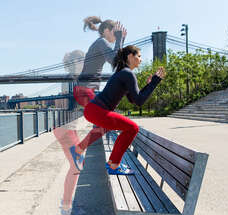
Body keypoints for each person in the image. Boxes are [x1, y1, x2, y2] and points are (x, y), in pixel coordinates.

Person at [82, 45, 165, 174]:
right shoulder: (128, 74)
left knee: (130, 128)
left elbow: (134, 100)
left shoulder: (124, 73)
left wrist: (149, 85)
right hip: (97, 110)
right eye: (139, 56)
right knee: (132, 128)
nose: (141, 60)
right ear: (130, 56)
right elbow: (139, 100)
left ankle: (112, 163)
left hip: (94, 110)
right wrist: (154, 82)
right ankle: (114, 165)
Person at [69, 16, 127, 171]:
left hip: (85, 91)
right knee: (108, 122)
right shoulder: (101, 42)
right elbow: (115, 61)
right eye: (115, 33)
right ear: (107, 31)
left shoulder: (100, 44)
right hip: (84, 90)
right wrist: (119, 40)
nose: (115, 36)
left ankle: (79, 150)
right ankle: (113, 163)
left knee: (105, 125)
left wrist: (119, 41)